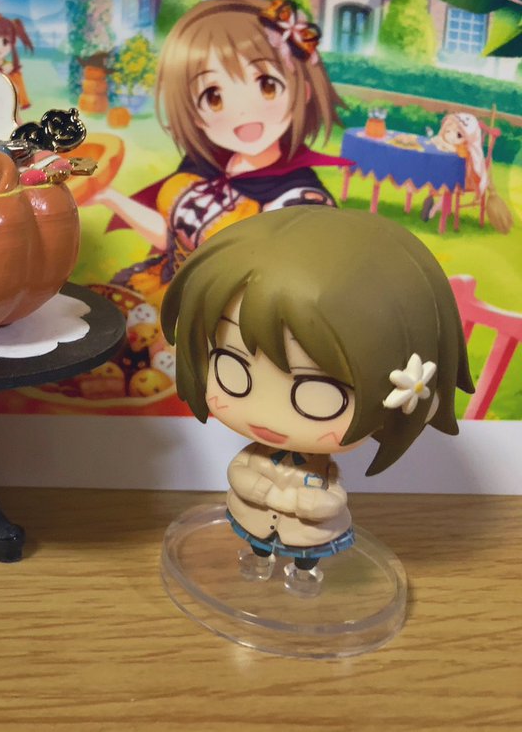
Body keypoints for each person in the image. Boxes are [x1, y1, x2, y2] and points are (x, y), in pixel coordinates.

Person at [161, 206, 474, 575]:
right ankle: (259, 559)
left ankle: (304, 570)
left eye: (318, 395)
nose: (268, 415)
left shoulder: (322, 471)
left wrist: (312, 505)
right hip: (254, 518)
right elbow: (239, 472)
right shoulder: (257, 457)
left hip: (306, 532)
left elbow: (333, 498)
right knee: (257, 545)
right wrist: (255, 488)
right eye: (232, 370)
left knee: (306, 555)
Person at [98, 0, 347, 306]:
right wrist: (108, 196)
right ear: (191, 111)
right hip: (165, 290)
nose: (241, 111)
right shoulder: (205, 165)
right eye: (213, 96)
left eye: (267, 85)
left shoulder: (301, 200)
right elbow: (171, 238)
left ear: (303, 91)